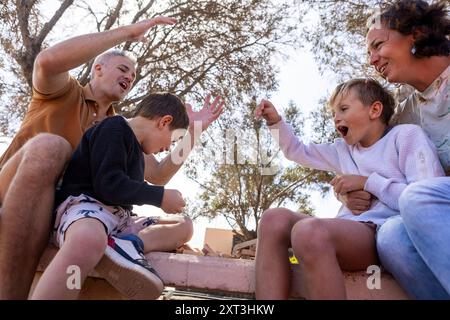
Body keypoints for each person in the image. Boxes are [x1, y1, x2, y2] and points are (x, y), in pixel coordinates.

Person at [0, 17, 224, 299]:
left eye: (133, 77)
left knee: (177, 223)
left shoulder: (121, 131)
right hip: (14, 195)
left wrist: (191, 132)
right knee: (51, 146)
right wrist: (127, 34)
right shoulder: (63, 92)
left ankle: (122, 246)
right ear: (97, 69)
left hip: (71, 217)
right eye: (122, 69)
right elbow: (46, 62)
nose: (129, 78)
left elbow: (157, 176)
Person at [254, 78, 444, 299]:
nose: (336, 118)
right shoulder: (342, 150)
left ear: (374, 110)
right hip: (347, 230)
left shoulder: (406, 136)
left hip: (383, 233)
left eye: (343, 109)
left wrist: (367, 182)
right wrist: (275, 123)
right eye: (334, 113)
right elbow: (297, 151)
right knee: (273, 219)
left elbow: (425, 203)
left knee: (309, 232)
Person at [30, 93, 190, 300]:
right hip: (87, 209)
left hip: (119, 220)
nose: (168, 148)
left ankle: (130, 244)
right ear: (164, 122)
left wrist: (195, 131)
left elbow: (159, 175)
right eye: (174, 140)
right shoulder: (114, 128)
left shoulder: (141, 150)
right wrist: (159, 197)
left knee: (184, 224)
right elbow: (109, 184)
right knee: (87, 239)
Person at [364, 0, 450, 299]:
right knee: (391, 236)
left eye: (378, 45)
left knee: (418, 195)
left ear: (415, 34)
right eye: (369, 53)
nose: (372, 60)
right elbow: (369, 158)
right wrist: (352, 188)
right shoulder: (406, 116)